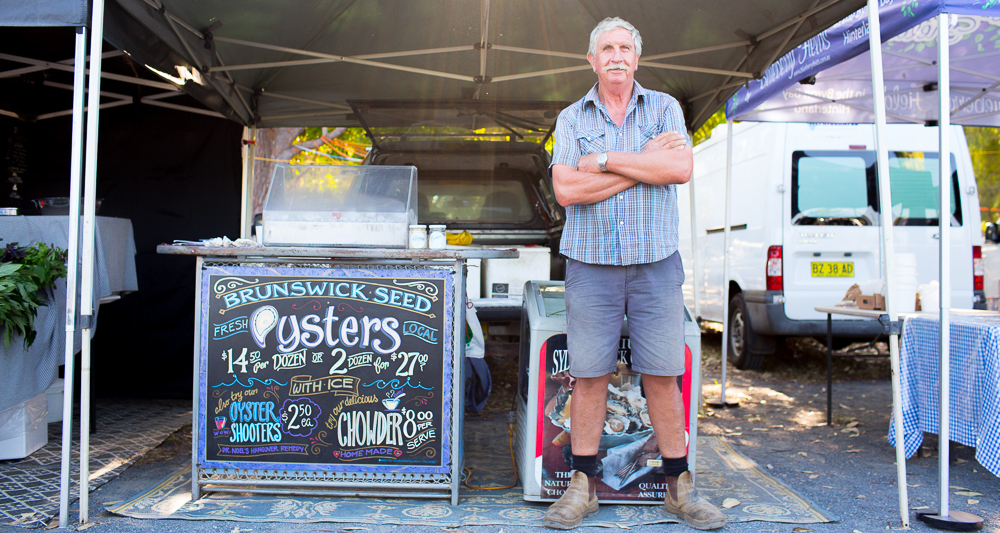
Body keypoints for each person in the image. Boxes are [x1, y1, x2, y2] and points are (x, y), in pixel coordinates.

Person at [541, 17, 726, 531]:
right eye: (607, 48)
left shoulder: (665, 108)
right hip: (590, 265)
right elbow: (567, 192)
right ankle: (583, 486)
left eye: (625, 47)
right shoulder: (570, 117)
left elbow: (678, 169)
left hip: (655, 264)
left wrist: (601, 162)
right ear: (593, 60)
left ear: (636, 59)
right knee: (588, 375)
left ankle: (679, 488)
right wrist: (640, 164)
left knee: (664, 376)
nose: (617, 55)